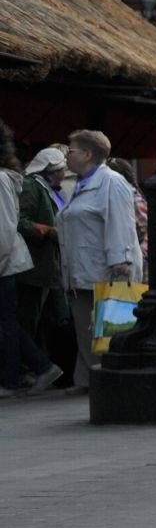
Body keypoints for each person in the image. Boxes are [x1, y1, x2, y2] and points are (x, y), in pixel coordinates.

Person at [56, 129, 141, 393]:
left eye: (70, 150)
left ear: (87, 154)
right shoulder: (81, 183)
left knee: (108, 326)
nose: (66, 156)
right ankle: (87, 378)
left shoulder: (111, 182)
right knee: (86, 326)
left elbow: (120, 222)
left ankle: (108, 378)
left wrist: (120, 261)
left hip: (104, 269)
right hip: (83, 268)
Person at [0, 121, 62, 394]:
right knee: (9, 321)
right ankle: (36, 367)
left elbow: (5, 227)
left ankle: (17, 376)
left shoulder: (3, 180)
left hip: (5, 263)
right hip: (8, 262)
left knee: (9, 322)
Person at [16, 146, 68, 376]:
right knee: (29, 320)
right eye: (61, 169)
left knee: (55, 317)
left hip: (49, 265)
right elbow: (20, 220)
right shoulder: (31, 186)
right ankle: (23, 369)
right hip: (35, 266)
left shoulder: (47, 187)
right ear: (51, 169)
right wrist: (47, 231)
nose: (64, 174)